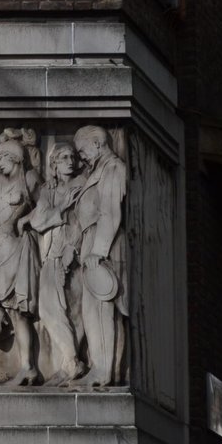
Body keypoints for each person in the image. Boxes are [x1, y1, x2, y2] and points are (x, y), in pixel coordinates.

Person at [23, 141, 87, 385]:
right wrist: (60, 208)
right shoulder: (49, 191)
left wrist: (72, 247)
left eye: (72, 156)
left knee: (72, 310)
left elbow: (83, 220)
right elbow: (39, 222)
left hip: (73, 254)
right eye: (63, 158)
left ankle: (71, 362)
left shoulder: (82, 186)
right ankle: (71, 361)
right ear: (54, 165)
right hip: (51, 255)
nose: (70, 161)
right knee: (49, 309)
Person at [0, 131, 42, 385]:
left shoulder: (30, 179)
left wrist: (27, 219)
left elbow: (47, 206)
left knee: (19, 312)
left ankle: (28, 366)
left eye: (1, 158)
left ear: (14, 158)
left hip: (16, 249)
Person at [73, 126, 127, 388]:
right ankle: (99, 367)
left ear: (97, 142)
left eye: (82, 150)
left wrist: (99, 250)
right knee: (90, 309)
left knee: (101, 308)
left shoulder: (113, 168)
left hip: (102, 246)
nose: (81, 156)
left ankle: (103, 372)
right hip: (90, 243)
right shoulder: (97, 171)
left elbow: (110, 210)